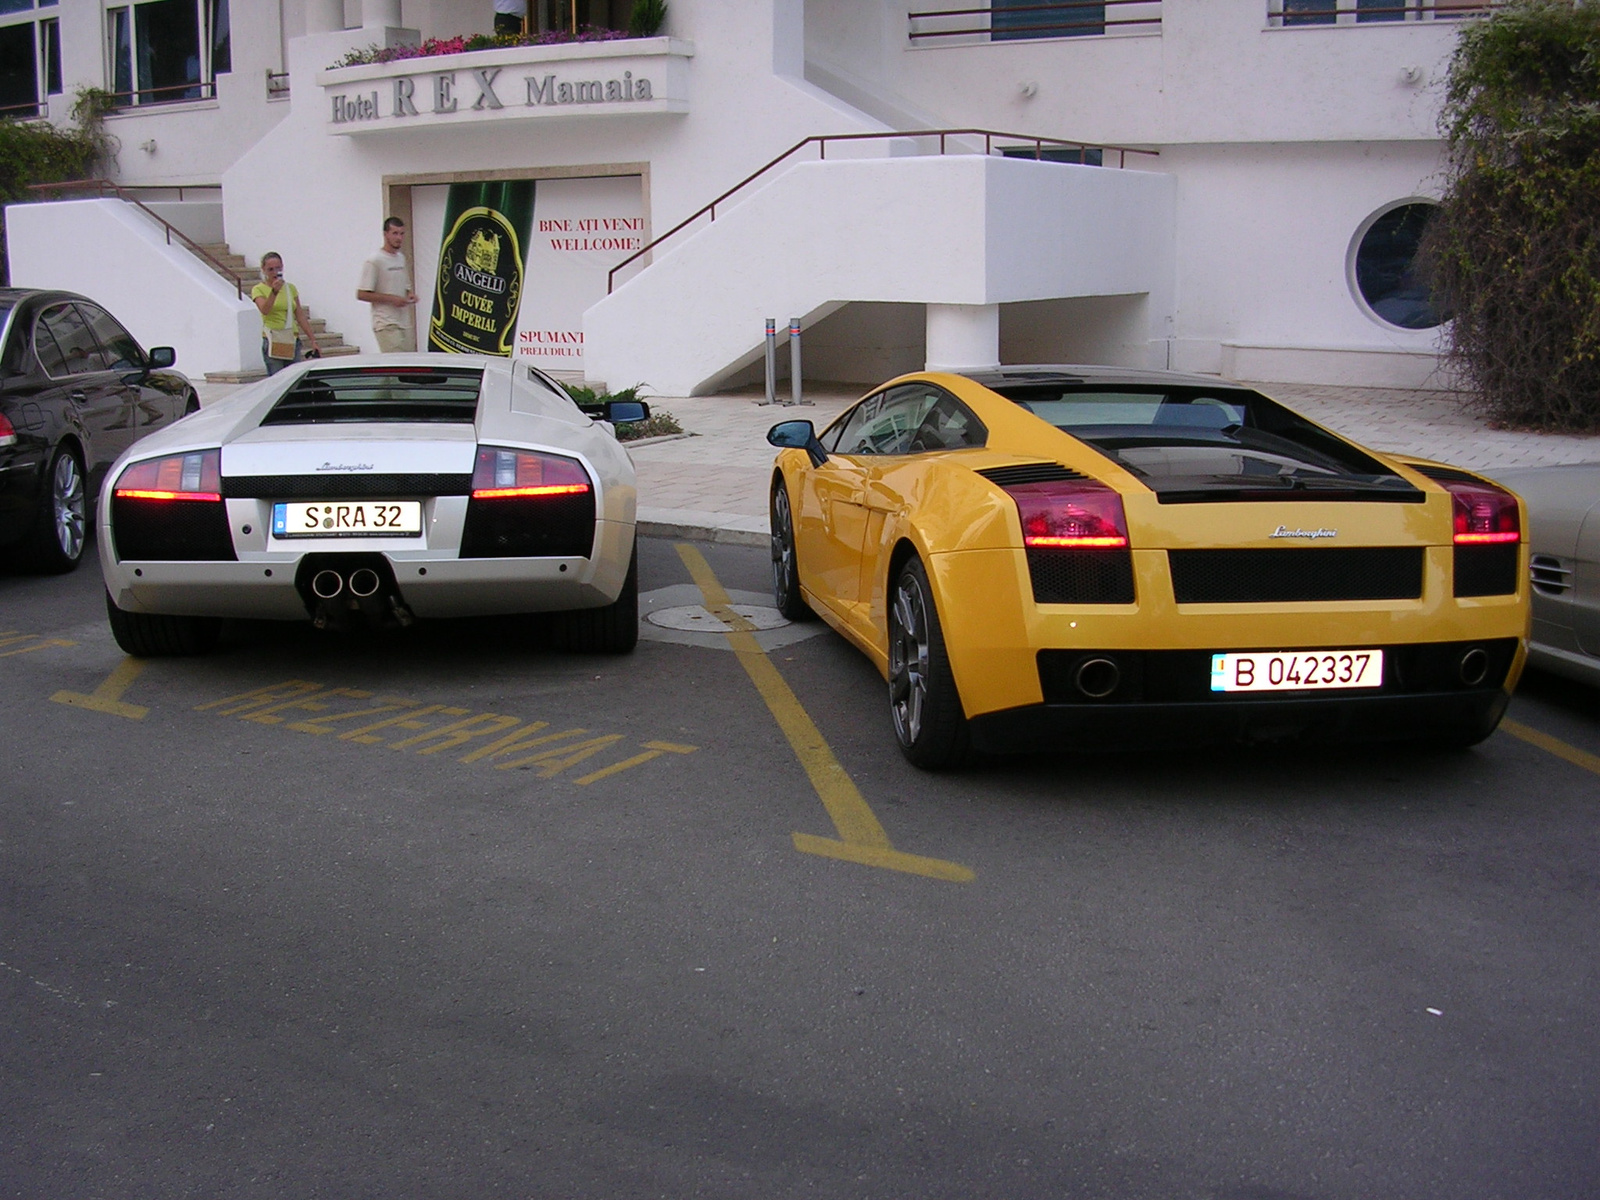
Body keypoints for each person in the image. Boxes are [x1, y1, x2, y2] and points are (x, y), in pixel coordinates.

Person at [251, 252, 319, 376]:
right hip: (273, 338)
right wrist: (274, 292)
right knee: (277, 379)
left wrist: (312, 339)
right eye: (270, 269)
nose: (274, 273)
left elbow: (299, 314)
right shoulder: (258, 289)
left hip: (291, 338)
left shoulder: (290, 288)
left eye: (278, 268)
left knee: (294, 378)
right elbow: (264, 310)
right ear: (264, 270)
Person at [356, 217, 418, 352]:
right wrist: (392, 299)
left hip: (404, 322)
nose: (399, 238)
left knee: (409, 365)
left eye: (402, 234)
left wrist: (410, 295)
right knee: (396, 365)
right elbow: (362, 294)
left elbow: (406, 286)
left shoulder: (401, 258)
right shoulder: (375, 260)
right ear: (385, 234)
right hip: (386, 322)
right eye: (395, 233)